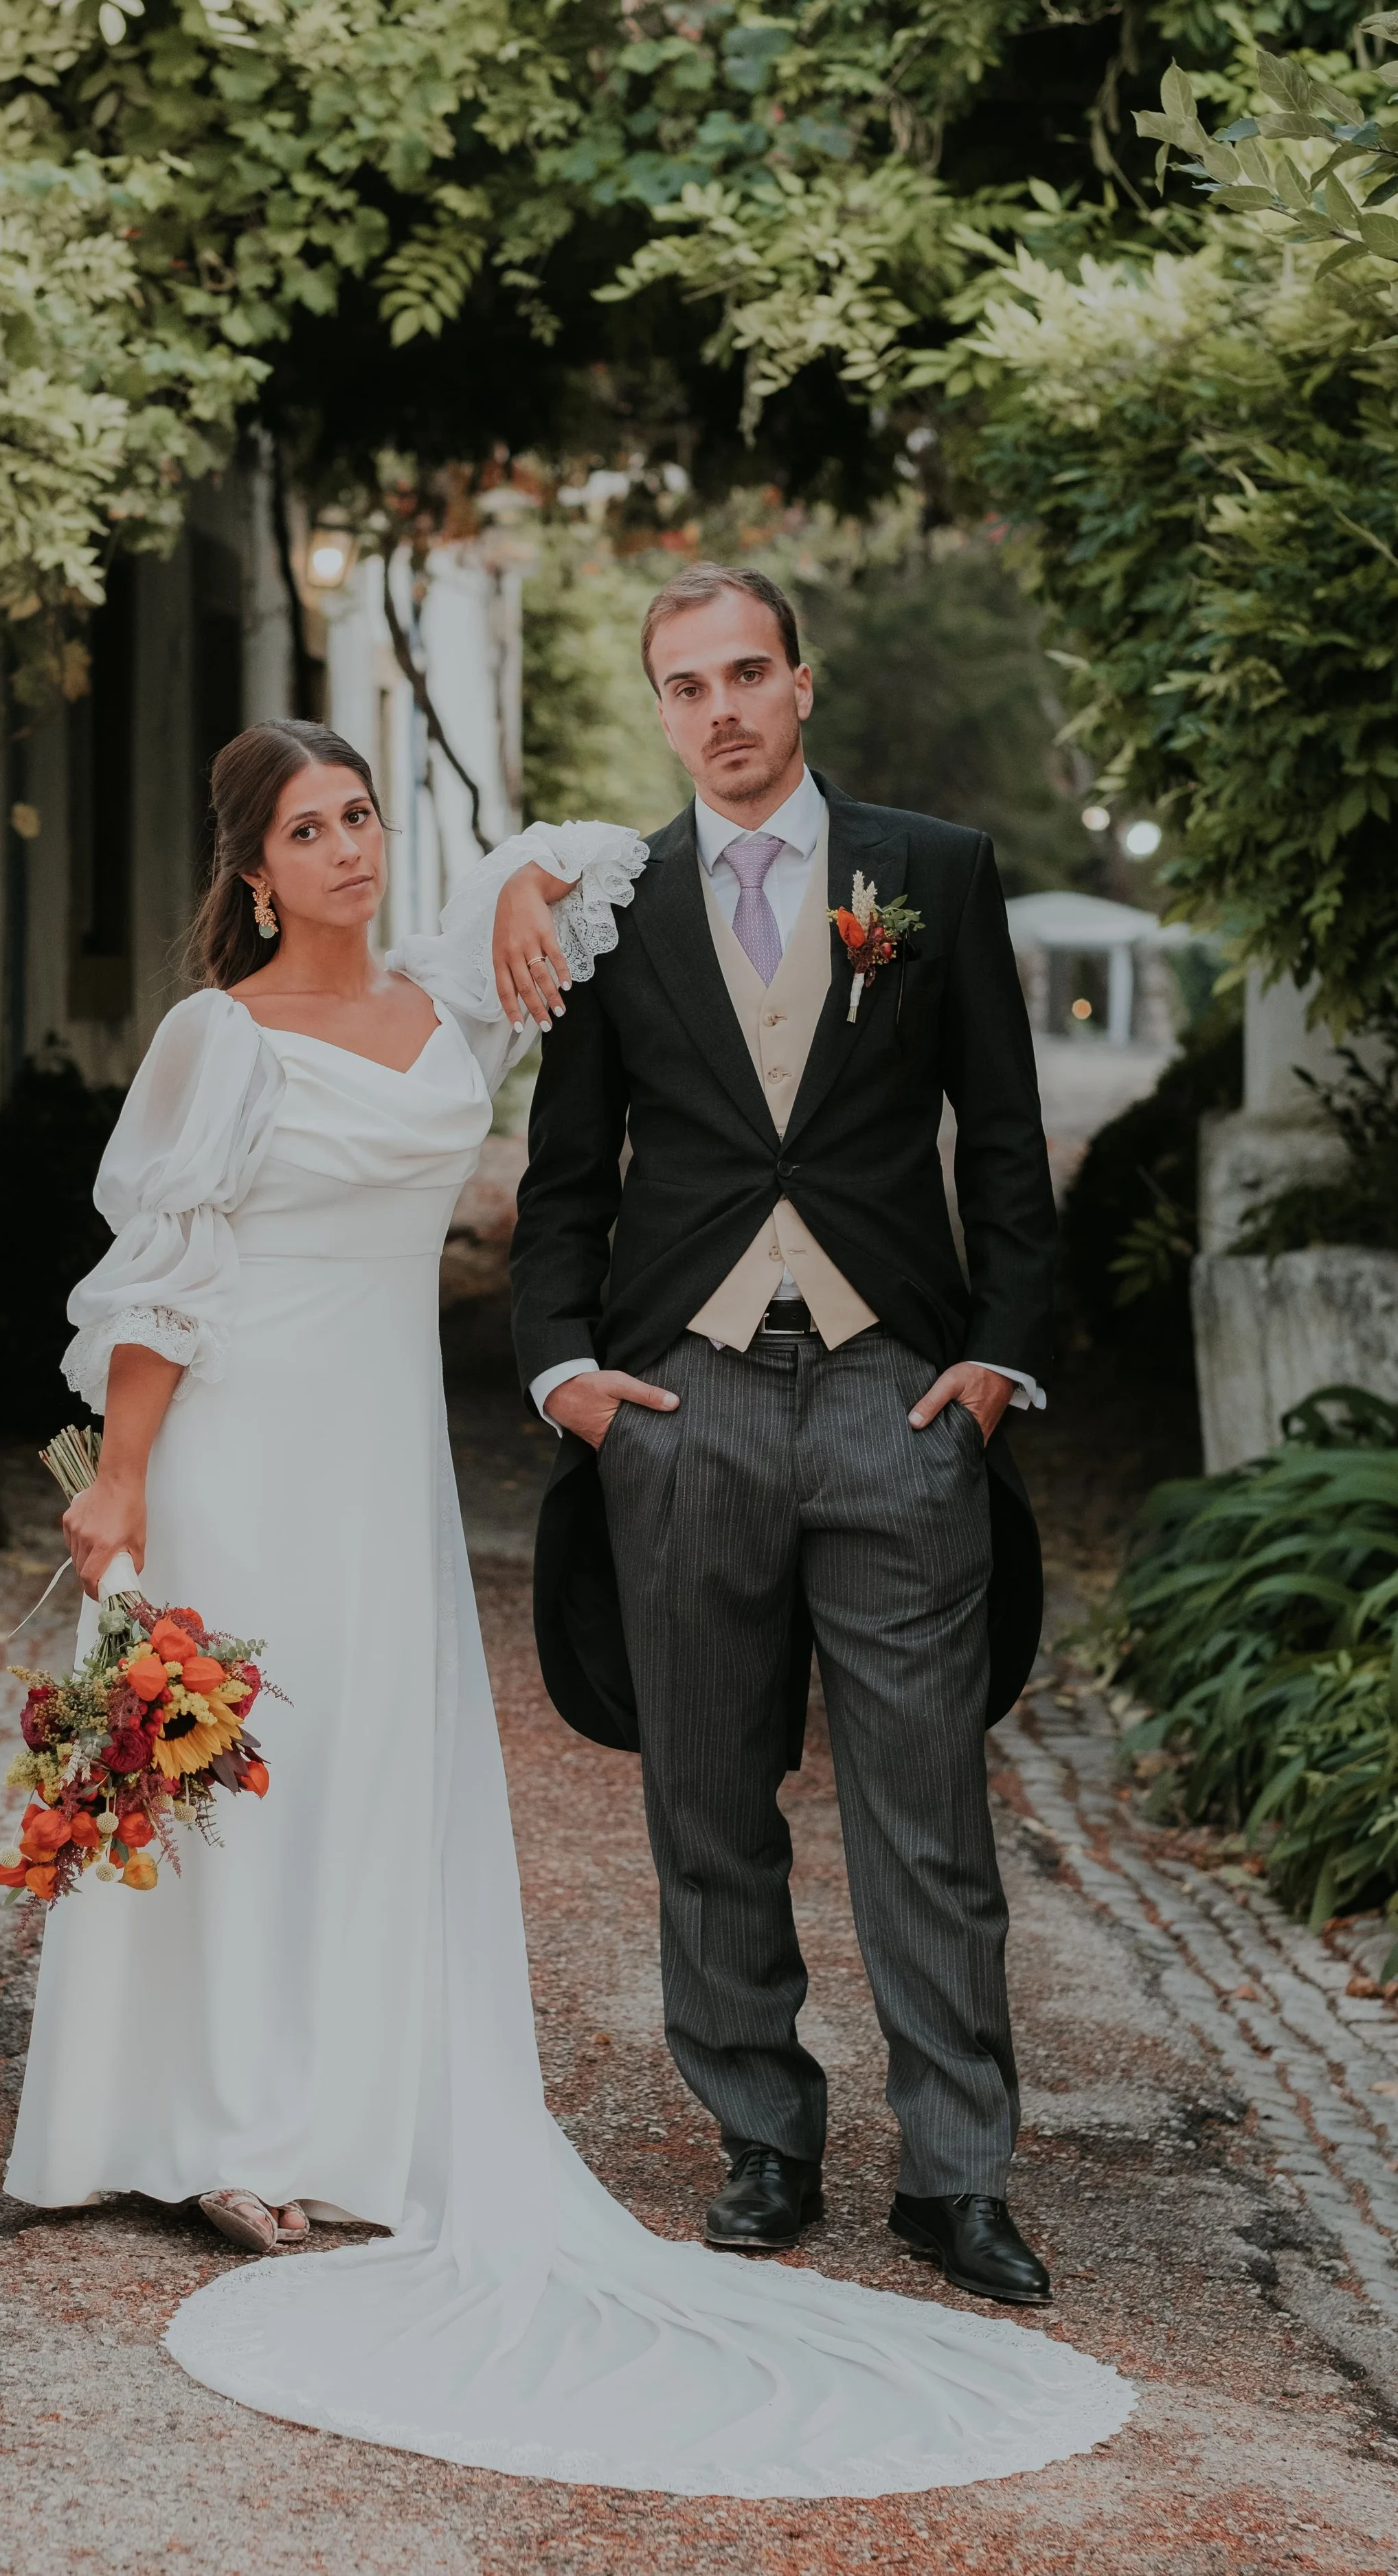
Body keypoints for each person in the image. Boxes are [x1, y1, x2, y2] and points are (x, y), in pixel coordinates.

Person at [3, 716, 1128, 2496]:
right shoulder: (215, 1038)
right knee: (223, 1768)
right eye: (308, 831)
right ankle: (221, 2121)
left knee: (376, 1763)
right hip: (238, 1441)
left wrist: (519, 870)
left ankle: (354, 2096)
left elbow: (614, 853)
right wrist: (125, 1477)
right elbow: (165, 1267)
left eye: (362, 814)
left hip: (380, 1460)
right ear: (251, 871)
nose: (350, 850)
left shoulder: (448, 993)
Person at [502, 563, 1057, 2296]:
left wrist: (994, 1365)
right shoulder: (613, 905)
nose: (721, 710)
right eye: (686, 686)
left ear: (800, 686)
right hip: (686, 1403)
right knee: (704, 1797)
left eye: (748, 674)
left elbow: (1009, 1150)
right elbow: (564, 1180)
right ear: (659, 709)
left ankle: (954, 2176)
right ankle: (763, 2135)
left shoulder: (933, 873)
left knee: (926, 1811)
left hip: (898, 1396)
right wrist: (567, 1376)